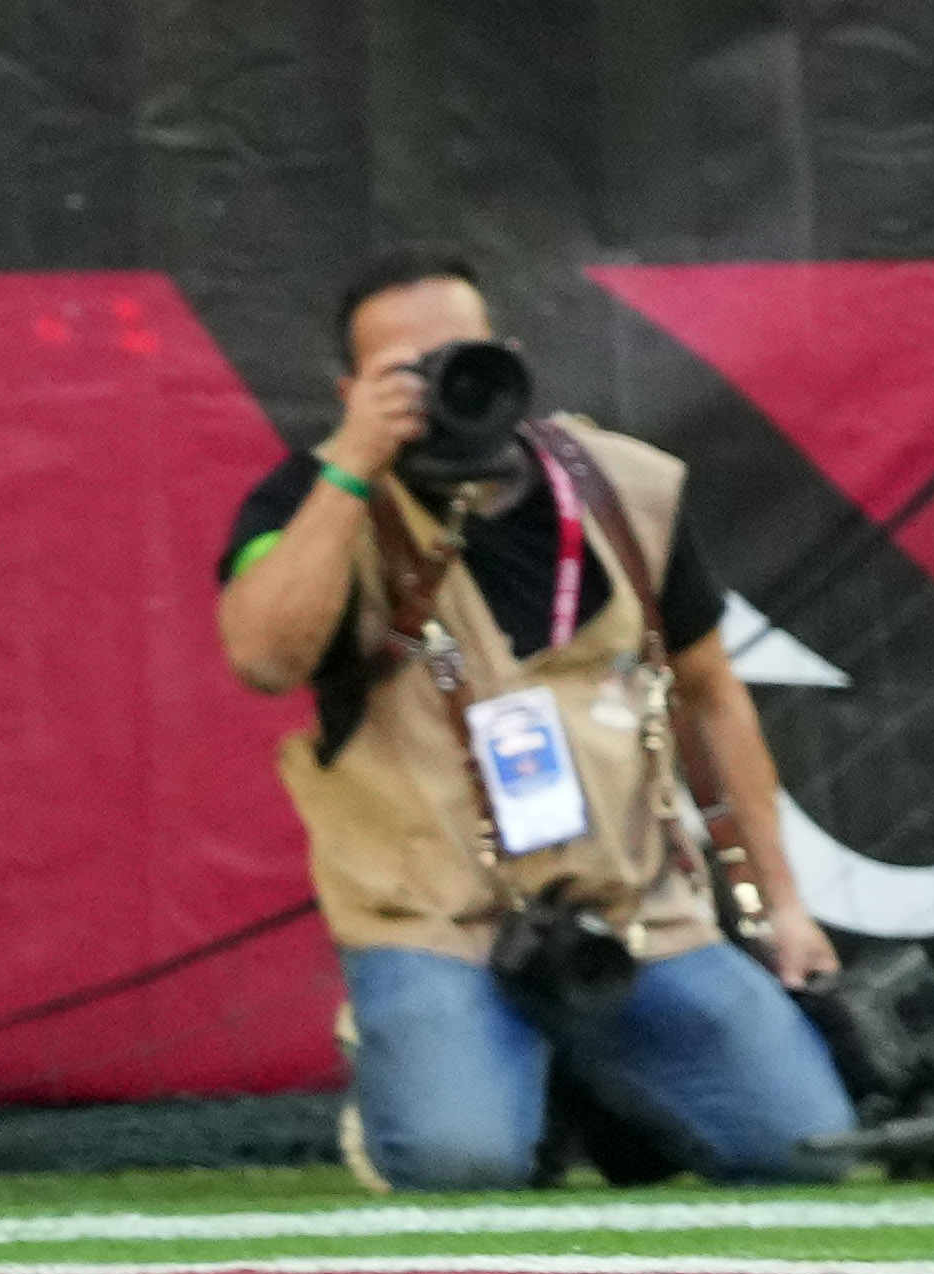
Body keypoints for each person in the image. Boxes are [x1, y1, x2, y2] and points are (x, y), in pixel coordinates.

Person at [211, 251, 849, 1192]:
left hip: (630, 915)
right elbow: (264, 656)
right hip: (440, 921)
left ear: (506, 358)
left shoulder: (624, 489)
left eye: (459, 357)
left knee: (806, 1150)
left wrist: (781, 907)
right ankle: (426, 1071)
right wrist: (349, 462)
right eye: (402, 370)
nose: (439, 386)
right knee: (457, 1162)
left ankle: (578, 1088)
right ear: (351, 389)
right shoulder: (310, 503)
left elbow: (713, 691)